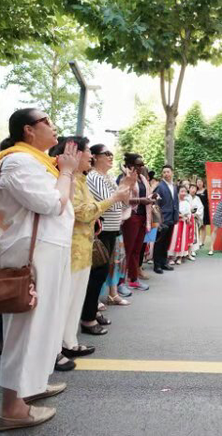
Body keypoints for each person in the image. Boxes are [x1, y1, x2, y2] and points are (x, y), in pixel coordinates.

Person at [0, 108, 77, 430]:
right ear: (28, 130)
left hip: (49, 249)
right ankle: (11, 408)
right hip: (34, 253)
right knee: (27, 329)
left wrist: (65, 172)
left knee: (46, 324)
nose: (54, 126)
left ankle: (31, 387)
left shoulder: (38, 161)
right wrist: (67, 172)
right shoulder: (17, 160)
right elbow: (49, 204)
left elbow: (60, 204)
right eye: (47, 121)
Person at [53, 137, 132, 365]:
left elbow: (96, 210)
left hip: (84, 247)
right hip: (70, 249)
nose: (89, 155)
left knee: (76, 299)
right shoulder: (66, 179)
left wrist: (118, 195)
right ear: (74, 154)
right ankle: (56, 348)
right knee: (65, 301)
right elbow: (84, 212)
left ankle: (69, 342)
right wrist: (114, 198)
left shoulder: (80, 179)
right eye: (88, 151)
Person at [85, 145, 130, 308]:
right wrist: (123, 190)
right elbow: (109, 202)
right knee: (97, 270)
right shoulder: (94, 177)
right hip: (101, 228)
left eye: (112, 153)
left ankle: (95, 302)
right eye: (106, 154)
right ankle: (91, 305)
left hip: (113, 227)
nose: (111, 157)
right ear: (95, 157)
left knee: (106, 268)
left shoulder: (109, 177)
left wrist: (125, 186)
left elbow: (124, 202)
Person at [118, 153, 153, 290]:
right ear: (131, 165)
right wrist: (140, 200)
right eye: (139, 164)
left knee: (137, 251)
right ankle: (120, 282)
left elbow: (146, 195)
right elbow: (122, 199)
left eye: (142, 164)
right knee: (127, 250)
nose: (142, 167)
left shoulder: (142, 178)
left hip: (143, 216)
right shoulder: (125, 178)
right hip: (131, 217)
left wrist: (151, 197)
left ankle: (133, 279)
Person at [153, 165, 179, 273]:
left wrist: (176, 216)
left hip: (172, 218)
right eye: (164, 172)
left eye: (168, 172)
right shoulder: (160, 186)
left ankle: (164, 262)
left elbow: (175, 202)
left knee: (166, 241)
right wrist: (158, 220)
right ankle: (157, 265)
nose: (166, 174)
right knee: (159, 242)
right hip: (163, 219)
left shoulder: (174, 186)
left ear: (172, 173)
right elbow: (156, 203)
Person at [168, 185, 193, 263]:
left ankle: (180, 257)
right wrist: (179, 215)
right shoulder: (173, 202)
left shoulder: (186, 203)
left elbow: (189, 213)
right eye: (182, 191)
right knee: (173, 239)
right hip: (175, 223)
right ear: (177, 192)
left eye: (185, 191)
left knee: (182, 240)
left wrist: (187, 217)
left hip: (183, 224)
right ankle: (171, 257)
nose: (184, 193)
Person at [188, 184, 204, 258]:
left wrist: (196, 214)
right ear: (189, 189)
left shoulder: (197, 198)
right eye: (192, 188)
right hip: (187, 219)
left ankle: (193, 250)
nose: (193, 190)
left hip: (194, 218)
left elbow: (201, 208)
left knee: (194, 234)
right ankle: (186, 250)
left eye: (195, 188)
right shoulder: (186, 197)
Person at [196, 178, 209, 248]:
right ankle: (197, 241)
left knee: (203, 226)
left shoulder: (206, 191)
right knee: (197, 226)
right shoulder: (195, 191)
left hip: (204, 211)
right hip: (196, 212)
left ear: (203, 183)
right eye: (198, 182)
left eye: (200, 181)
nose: (199, 183)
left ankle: (202, 242)